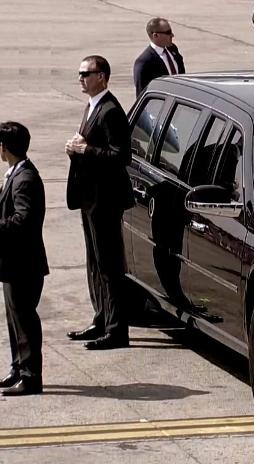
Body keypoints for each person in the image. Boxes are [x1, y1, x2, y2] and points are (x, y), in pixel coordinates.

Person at [65, 55, 134, 350]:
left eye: (86, 73)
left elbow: (121, 157)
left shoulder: (110, 111)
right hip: (89, 198)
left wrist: (85, 150)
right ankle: (102, 318)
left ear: (102, 76)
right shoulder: (92, 105)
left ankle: (117, 329)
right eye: (80, 73)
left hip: (105, 200)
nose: (81, 78)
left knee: (109, 265)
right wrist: (76, 150)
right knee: (95, 263)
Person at [0, 121, 48, 396]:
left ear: (6, 148)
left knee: (25, 320)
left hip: (23, 264)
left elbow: (23, 220)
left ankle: (31, 377)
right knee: (14, 319)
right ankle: (18, 367)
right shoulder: (15, 173)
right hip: (12, 263)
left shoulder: (25, 179)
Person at [133, 17, 185, 95]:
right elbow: (142, 93)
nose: (172, 35)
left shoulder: (173, 49)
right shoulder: (144, 62)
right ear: (155, 35)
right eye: (168, 32)